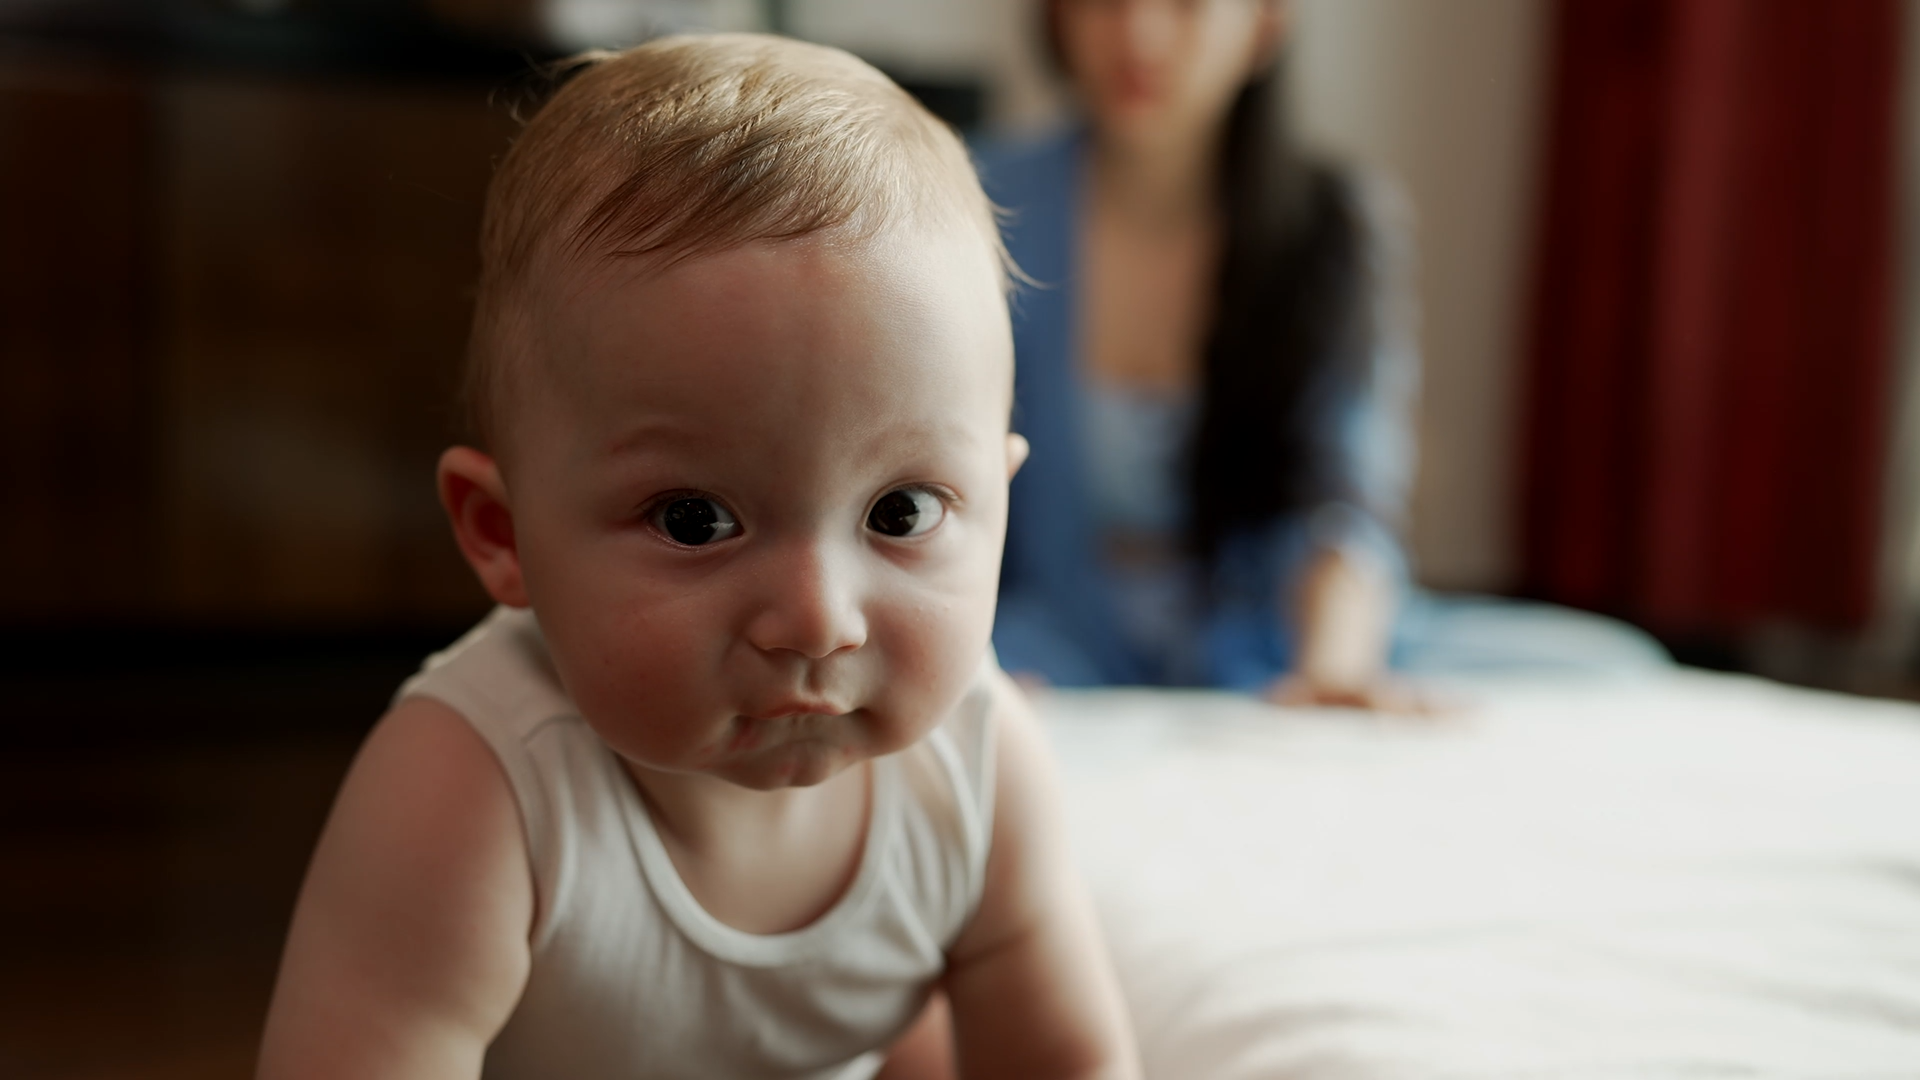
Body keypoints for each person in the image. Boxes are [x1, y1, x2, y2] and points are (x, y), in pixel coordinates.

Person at [257, 34, 1137, 1080]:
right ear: (503, 535)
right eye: (694, 521)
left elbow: (1065, 1060)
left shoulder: (981, 770)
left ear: (1000, 499)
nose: (817, 619)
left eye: (900, 512)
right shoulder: (473, 793)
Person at [977, 0, 1665, 706]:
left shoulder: (1334, 221)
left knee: (1616, 670)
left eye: (1187, 5)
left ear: (1265, 24)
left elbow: (1347, 495)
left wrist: (1332, 670)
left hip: (1274, 637)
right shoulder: (981, 200)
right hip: (1051, 641)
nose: (1140, 34)